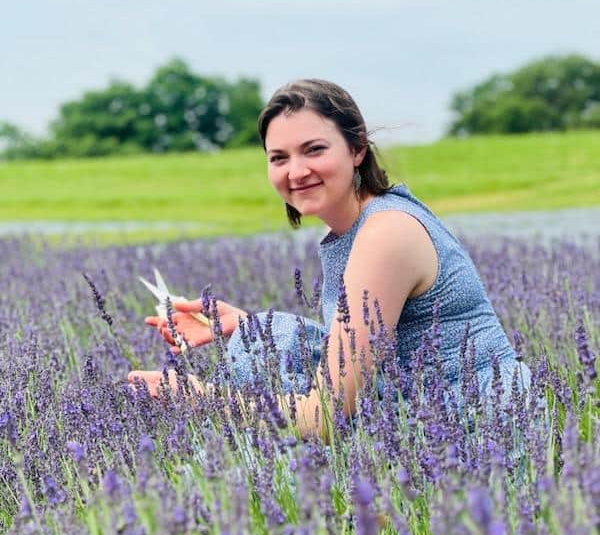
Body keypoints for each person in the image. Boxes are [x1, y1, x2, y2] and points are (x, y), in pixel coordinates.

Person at [128, 78, 530, 440]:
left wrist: (199, 397)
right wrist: (249, 327)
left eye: (314, 150)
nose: (296, 171)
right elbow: (355, 349)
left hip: (476, 434)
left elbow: (325, 418)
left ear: (357, 149)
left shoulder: (385, 234)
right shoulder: (350, 230)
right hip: (429, 422)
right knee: (254, 352)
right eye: (278, 157)